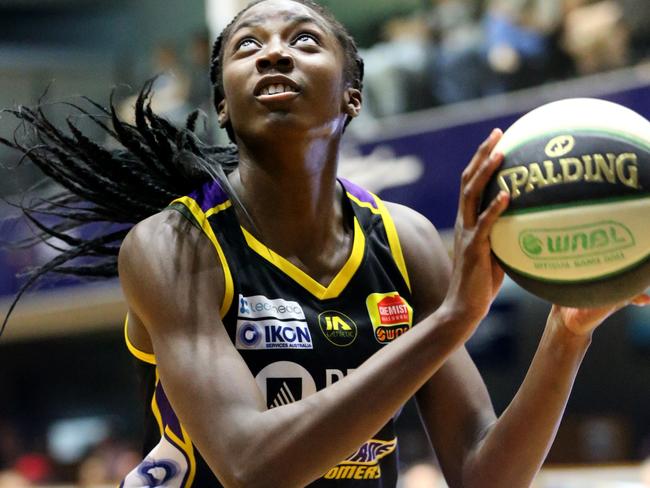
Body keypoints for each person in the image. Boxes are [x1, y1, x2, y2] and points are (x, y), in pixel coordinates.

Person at [1, 0, 649, 487]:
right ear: (222, 103)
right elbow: (251, 467)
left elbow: (483, 475)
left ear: (352, 94)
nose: (274, 53)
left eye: (303, 40)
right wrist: (453, 319)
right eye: (247, 46)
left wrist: (568, 332)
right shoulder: (174, 245)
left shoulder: (403, 241)